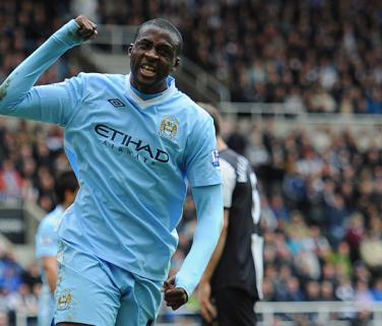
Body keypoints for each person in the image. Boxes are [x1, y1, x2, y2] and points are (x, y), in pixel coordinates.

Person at [0, 15, 223, 326]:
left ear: (176, 64)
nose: (151, 55)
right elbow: (8, 100)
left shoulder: (194, 122)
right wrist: (63, 39)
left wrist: (188, 278)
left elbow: (212, 212)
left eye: (163, 50)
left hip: (147, 269)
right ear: (130, 50)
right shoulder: (89, 92)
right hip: (88, 251)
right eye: (145, 46)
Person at [198, 104, 263, 326]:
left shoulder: (220, 166)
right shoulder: (240, 162)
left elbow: (220, 225)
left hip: (229, 274)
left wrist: (204, 281)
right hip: (246, 267)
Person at [35, 171, 79, 326]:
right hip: (56, 307)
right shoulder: (51, 223)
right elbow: (49, 267)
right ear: (68, 194)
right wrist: (64, 307)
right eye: (80, 190)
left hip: (75, 303)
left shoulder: (78, 221)